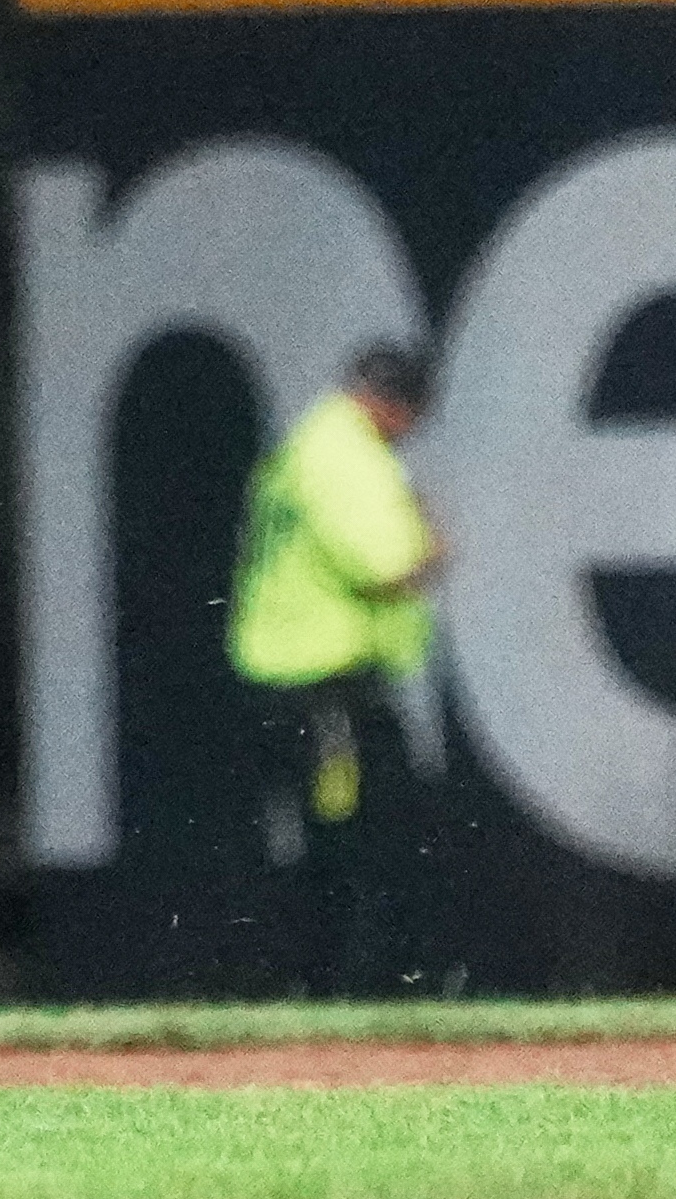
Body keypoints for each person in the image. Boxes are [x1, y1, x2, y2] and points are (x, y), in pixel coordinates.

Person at [231, 337, 450, 995]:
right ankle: (344, 986)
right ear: (394, 404)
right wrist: (431, 544)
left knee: (329, 832)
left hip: (293, 677)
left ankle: (327, 982)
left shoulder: (307, 443)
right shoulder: (345, 454)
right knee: (351, 835)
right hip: (322, 684)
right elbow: (385, 567)